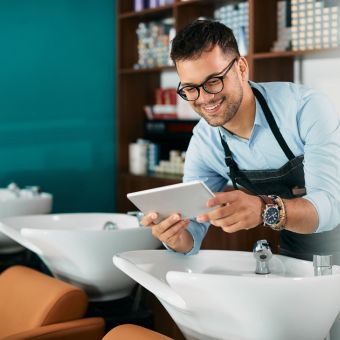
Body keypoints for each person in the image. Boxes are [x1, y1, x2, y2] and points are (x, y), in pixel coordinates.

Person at [141, 19, 340, 261]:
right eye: (191, 88)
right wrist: (174, 237)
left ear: (242, 68)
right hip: (296, 248)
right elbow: (192, 228)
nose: (204, 98)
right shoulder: (205, 142)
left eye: (213, 81)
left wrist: (264, 209)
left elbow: (330, 207)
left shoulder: (305, 108)